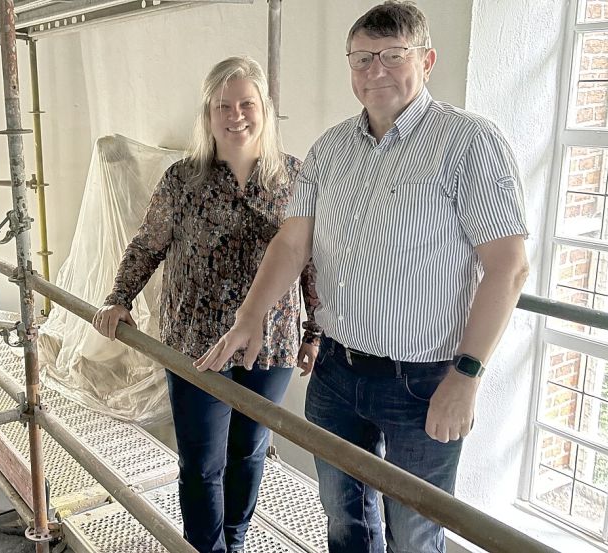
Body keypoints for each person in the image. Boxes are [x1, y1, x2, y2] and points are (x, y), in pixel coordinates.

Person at [196, 3, 530, 552]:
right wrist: (250, 315)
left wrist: (466, 376)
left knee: (415, 532)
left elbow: (508, 266)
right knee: (345, 522)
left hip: (424, 381)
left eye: (392, 56)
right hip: (336, 372)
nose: (375, 70)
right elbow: (292, 241)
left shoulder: (469, 142)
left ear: (427, 60)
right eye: (361, 58)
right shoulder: (330, 150)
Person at [91, 56, 321, 553]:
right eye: (223, 106)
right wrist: (119, 298)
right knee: (200, 459)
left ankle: (234, 540)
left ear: (264, 108)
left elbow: (310, 258)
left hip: (272, 340)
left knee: (250, 451)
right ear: (208, 114)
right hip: (196, 342)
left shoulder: (297, 177)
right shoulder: (183, 180)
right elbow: (148, 244)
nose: (235, 115)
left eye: (246, 104)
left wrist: (315, 328)